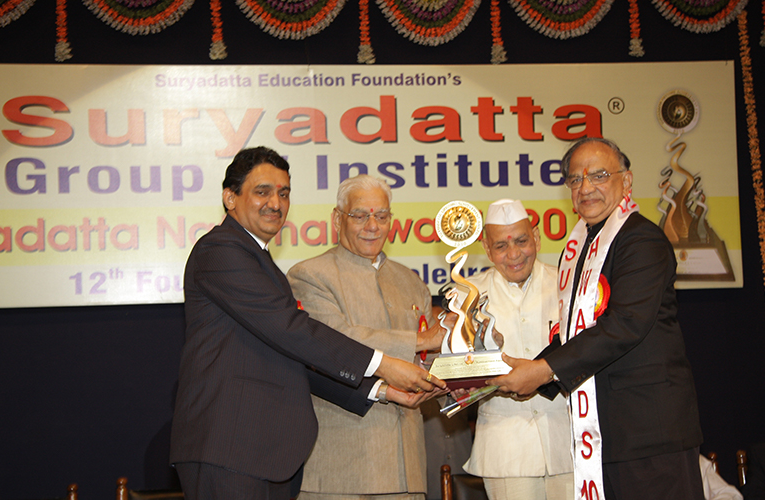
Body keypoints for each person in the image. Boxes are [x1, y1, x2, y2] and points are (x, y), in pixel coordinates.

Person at [169, 148, 445, 500]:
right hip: (230, 448)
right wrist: (383, 364)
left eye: (283, 193)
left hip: (263, 454)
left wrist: (380, 391)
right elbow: (292, 330)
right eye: (262, 191)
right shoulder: (220, 250)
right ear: (230, 198)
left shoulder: (262, 263)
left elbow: (293, 356)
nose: (275, 203)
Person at [488, 137, 704, 500]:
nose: (585, 187)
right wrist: (533, 370)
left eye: (599, 175)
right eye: (575, 179)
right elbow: (577, 331)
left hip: (649, 433)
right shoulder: (579, 250)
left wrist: (543, 371)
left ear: (627, 180)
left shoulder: (641, 240)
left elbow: (625, 324)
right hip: (605, 435)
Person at [287, 174, 457, 500]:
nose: (372, 226)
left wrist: (464, 365)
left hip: (408, 468)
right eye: (360, 215)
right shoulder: (309, 276)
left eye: (381, 216)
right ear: (337, 219)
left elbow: (428, 361)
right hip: (343, 469)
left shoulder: (411, 283)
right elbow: (335, 339)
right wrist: (421, 340)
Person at [456, 199, 573, 500]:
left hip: (569, 442)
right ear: (486, 248)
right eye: (501, 246)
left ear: (537, 238)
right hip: (505, 449)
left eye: (522, 241)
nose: (514, 254)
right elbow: (457, 369)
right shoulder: (467, 296)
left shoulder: (568, 284)